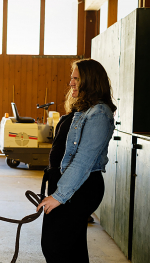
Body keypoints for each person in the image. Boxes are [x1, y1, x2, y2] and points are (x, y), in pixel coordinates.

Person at [37, 59, 117, 262]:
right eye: (71, 78)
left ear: (90, 81)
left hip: (80, 187)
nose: (71, 83)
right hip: (68, 184)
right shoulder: (83, 109)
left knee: (56, 247)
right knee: (71, 248)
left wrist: (59, 196)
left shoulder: (99, 113)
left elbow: (84, 159)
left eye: (76, 78)